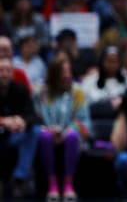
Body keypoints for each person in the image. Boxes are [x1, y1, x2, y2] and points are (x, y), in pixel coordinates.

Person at [34, 56, 92, 202]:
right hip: (47, 133)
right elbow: (34, 118)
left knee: (72, 136)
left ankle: (68, 184)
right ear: (53, 74)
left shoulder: (78, 92)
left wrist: (68, 130)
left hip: (70, 135)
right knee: (45, 136)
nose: (67, 75)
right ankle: (52, 184)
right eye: (62, 72)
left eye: (69, 71)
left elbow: (84, 121)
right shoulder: (40, 93)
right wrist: (47, 129)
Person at [0, 55, 40, 198]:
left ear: (12, 73)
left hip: (13, 135)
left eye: (8, 70)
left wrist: (22, 122)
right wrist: (5, 121)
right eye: (1, 70)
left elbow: (32, 115)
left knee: (34, 131)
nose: (4, 74)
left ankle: (19, 178)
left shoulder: (20, 90)